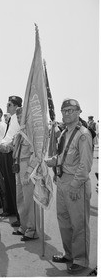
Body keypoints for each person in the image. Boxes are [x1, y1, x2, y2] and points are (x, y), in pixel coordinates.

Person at [45, 98, 93, 274]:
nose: (66, 113)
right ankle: (69, 254)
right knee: (64, 221)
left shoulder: (83, 134)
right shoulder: (64, 133)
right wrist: (49, 162)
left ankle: (81, 260)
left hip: (76, 184)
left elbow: (85, 165)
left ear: (79, 112)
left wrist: (74, 185)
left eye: (71, 110)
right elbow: (63, 157)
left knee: (78, 224)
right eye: (64, 110)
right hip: (63, 181)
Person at [0, 107, 39, 240]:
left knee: (29, 202)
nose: (19, 119)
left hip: (27, 168)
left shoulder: (33, 134)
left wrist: (28, 172)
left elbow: (37, 155)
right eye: (17, 117)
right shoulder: (19, 134)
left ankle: (32, 230)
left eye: (21, 117)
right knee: (20, 200)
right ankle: (24, 227)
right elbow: (8, 148)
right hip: (17, 168)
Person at [0, 96, 22, 222]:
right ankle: (11, 209)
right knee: (7, 183)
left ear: (16, 106)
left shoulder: (18, 119)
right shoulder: (11, 119)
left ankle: (19, 214)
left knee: (14, 185)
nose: (7, 106)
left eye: (9, 104)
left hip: (12, 153)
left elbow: (13, 138)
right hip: (5, 151)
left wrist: (2, 146)